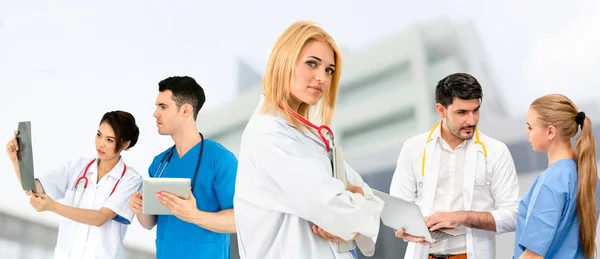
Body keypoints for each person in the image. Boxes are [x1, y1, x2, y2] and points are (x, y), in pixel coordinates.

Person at [233, 20, 384, 259]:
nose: (322, 77)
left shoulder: (310, 136)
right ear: (284, 61)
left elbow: (369, 199)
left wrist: (354, 207)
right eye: (312, 63)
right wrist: (354, 205)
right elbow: (335, 208)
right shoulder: (267, 134)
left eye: (329, 70)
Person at [390, 73, 520, 259]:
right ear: (441, 110)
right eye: (462, 113)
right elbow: (399, 204)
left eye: (475, 110)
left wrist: (461, 217)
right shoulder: (413, 148)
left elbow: (513, 215)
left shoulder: (496, 152)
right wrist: (404, 227)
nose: (472, 120)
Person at [5, 111, 142, 259]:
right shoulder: (78, 167)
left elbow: (100, 218)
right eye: (99, 134)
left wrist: (53, 207)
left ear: (125, 144)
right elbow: (33, 189)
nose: (101, 143)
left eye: (109, 140)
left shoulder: (130, 179)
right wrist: (17, 160)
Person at [128, 76, 238, 259]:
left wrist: (194, 215)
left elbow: (238, 220)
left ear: (186, 110)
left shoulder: (221, 160)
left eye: (163, 107)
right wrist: (140, 209)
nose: (155, 113)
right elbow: (149, 223)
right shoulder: (160, 163)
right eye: (157, 106)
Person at [513, 94, 599, 259]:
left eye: (530, 127)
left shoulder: (550, 183)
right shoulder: (589, 178)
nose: (526, 133)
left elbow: (533, 256)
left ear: (551, 132)